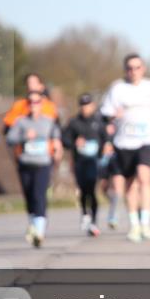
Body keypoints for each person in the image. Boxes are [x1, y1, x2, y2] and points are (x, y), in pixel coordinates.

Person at [100, 54, 150, 242]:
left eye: (137, 67)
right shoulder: (117, 88)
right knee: (130, 185)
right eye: (130, 68)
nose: (133, 71)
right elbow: (105, 115)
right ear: (125, 70)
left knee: (144, 177)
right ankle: (134, 225)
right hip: (124, 143)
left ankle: (146, 223)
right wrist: (112, 116)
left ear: (144, 69)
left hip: (145, 140)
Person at [7, 91, 62, 247]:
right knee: (29, 196)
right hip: (25, 163)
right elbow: (10, 139)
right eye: (30, 102)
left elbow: (56, 137)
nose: (33, 105)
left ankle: (39, 232)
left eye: (37, 102)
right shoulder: (21, 122)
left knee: (39, 195)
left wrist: (57, 149)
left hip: (43, 163)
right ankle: (33, 225)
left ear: (41, 104)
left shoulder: (49, 121)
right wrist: (24, 136)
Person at [62, 93, 107, 237]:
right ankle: (85, 214)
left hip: (95, 161)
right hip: (79, 161)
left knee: (92, 189)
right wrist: (74, 143)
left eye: (87, 105)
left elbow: (106, 138)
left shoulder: (99, 122)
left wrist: (105, 148)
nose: (85, 108)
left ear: (92, 105)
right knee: (83, 190)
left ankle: (93, 220)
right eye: (82, 105)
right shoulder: (74, 122)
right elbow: (65, 140)